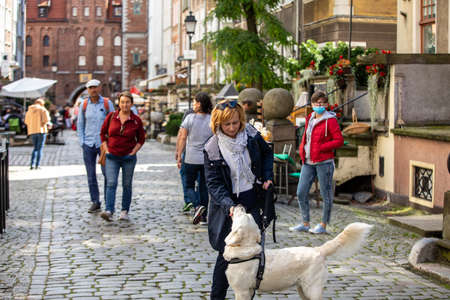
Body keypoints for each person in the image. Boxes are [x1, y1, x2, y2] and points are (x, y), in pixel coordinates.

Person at [204, 99, 273, 300]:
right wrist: (230, 206)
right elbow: (214, 184)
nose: (232, 128)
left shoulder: (251, 135)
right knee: (227, 254)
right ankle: (217, 297)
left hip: (252, 199)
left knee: (252, 252)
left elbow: (267, 154)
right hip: (228, 206)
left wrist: (267, 176)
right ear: (218, 124)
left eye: (235, 122)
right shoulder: (212, 148)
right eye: (227, 124)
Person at [289, 90, 344, 234]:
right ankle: (305, 223)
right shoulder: (310, 118)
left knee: (326, 195)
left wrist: (321, 148)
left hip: (324, 162)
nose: (319, 105)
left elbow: (339, 141)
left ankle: (323, 225)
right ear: (312, 104)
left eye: (322, 103)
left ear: (326, 104)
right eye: (316, 102)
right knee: (301, 192)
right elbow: (306, 138)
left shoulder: (330, 120)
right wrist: (302, 150)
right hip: (308, 161)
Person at [99, 91, 145, 222]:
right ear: (118, 103)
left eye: (127, 102)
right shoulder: (111, 116)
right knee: (111, 183)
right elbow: (102, 133)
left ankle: (124, 211)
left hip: (128, 158)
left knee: (127, 184)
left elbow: (141, 139)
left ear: (131, 104)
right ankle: (109, 210)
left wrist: (133, 152)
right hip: (112, 156)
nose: (125, 105)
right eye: (122, 102)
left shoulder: (136, 120)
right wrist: (106, 149)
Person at [77, 79, 115, 213]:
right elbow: (80, 124)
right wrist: (81, 141)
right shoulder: (84, 104)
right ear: (87, 90)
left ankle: (108, 202)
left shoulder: (106, 103)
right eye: (90, 88)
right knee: (91, 174)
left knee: (107, 173)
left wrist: (110, 142)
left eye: (95, 87)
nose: (93, 90)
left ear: (99, 88)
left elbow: (113, 122)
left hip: (103, 144)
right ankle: (95, 201)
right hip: (88, 143)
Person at [176, 92, 213, 224]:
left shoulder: (190, 118)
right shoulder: (212, 119)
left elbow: (182, 137)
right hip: (206, 158)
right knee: (204, 187)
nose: (193, 104)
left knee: (189, 185)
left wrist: (179, 154)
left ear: (200, 103)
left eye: (195, 102)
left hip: (190, 158)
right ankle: (203, 217)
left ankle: (197, 206)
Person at [25, 98, 51, 169]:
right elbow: (46, 120)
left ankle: (32, 165)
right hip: (41, 130)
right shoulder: (43, 109)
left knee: (35, 148)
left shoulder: (29, 110)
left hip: (32, 131)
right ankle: (37, 165)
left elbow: (26, 121)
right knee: (39, 148)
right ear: (42, 103)